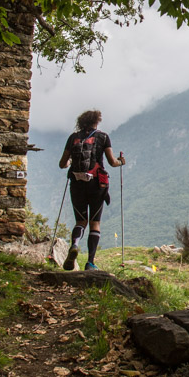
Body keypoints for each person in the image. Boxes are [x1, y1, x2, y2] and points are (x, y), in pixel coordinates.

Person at [58, 109, 125, 270]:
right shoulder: (103, 137)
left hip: (76, 184)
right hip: (97, 185)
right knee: (95, 223)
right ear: (97, 121)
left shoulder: (73, 138)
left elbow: (62, 164)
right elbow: (112, 162)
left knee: (81, 221)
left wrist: (70, 164)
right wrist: (122, 161)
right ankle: (90, 262)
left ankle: (74, 245)